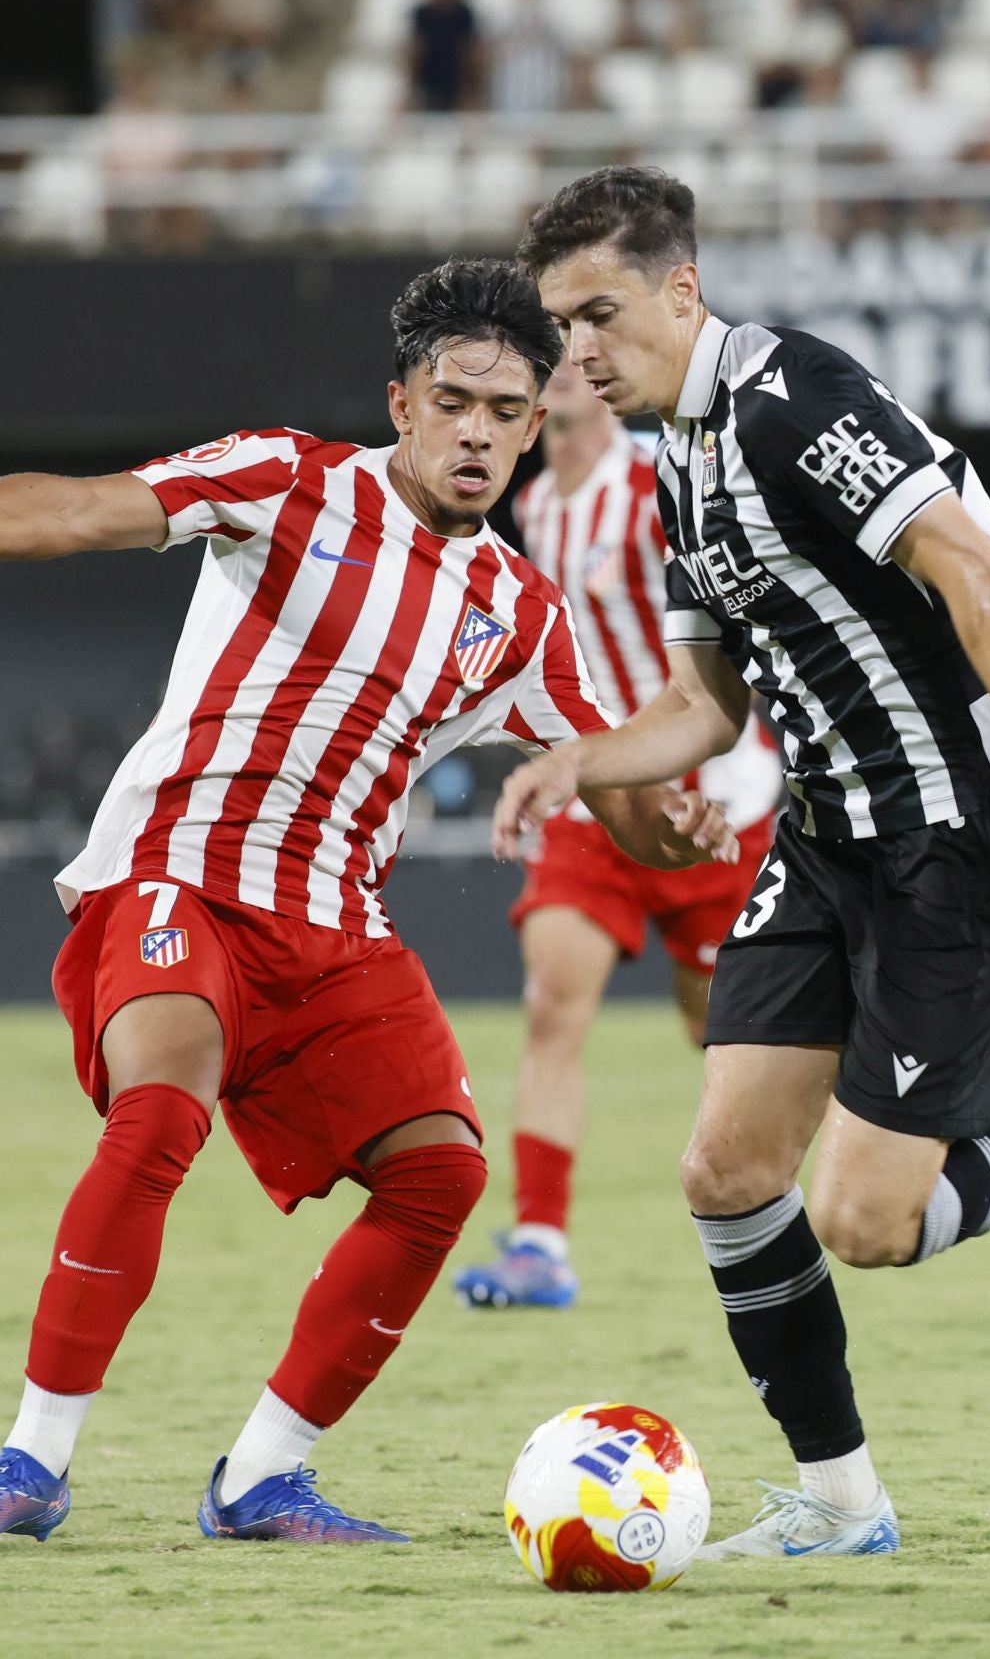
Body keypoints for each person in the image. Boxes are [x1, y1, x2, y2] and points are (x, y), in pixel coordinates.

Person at [494, 166, 990, 1559]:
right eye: (559, 328)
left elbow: (978, 571)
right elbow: (708, 709)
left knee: (869, 1221)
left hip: (959, 851)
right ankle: (843, 1508)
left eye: (597, 315)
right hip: (825, 844)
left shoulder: (796, 403)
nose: (576, 355)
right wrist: (581, 761)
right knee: (725, 1170)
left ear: (679, 289)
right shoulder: (678, 464)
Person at [0, 256, 737, 1547]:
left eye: (508, 414)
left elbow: (616, 793)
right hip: (176, 871)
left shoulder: (516, 612)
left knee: (444, 1174)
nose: (479, 433)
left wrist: (672, 815)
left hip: (331, 922)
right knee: (162, 1102)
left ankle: (261, 1476)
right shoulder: (286, 483)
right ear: (401, 401)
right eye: (454, 400)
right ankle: (31, 1462)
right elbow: (74, 513)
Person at [456, 358, 780, 1310]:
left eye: (569, 353)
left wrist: (723, 766)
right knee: (555, 1005)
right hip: (596, 795)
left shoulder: (656, 482)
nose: (551, 374)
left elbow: (739, 619)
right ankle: (540, 1245)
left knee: (717, 1027)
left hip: (708, 803)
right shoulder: (540, 503)